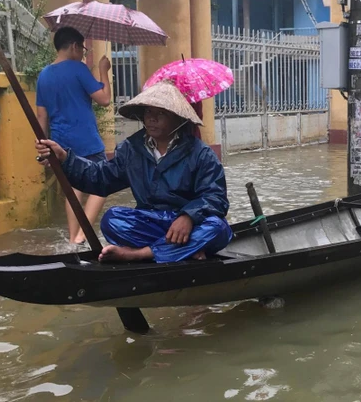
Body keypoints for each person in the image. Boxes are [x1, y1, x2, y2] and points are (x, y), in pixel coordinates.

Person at [35, 80, 233, 263]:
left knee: (217, 228)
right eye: (148, 113)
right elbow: (99, 178)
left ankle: (141, 254)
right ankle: (183, 250)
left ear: (177, 119)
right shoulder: (131, 149)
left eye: (161, 113)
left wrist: (188, 217)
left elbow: (216, 197)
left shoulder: (200, 154)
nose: (152, 119)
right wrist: (64, 158)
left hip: (187, 225)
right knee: (112, 219)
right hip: (152, 222)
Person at [36, 26, 112, 244]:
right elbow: (104, 99)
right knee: (102, 184)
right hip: (86, 140)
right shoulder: (79, 69)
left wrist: (44, 148)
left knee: (74, 188)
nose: (83, 53)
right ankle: (83, 233)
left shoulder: (44, 75)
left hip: (60, 143)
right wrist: (103, 71)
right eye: (83, 49)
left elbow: (42, 116)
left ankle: (73, 237)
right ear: (73, 46)